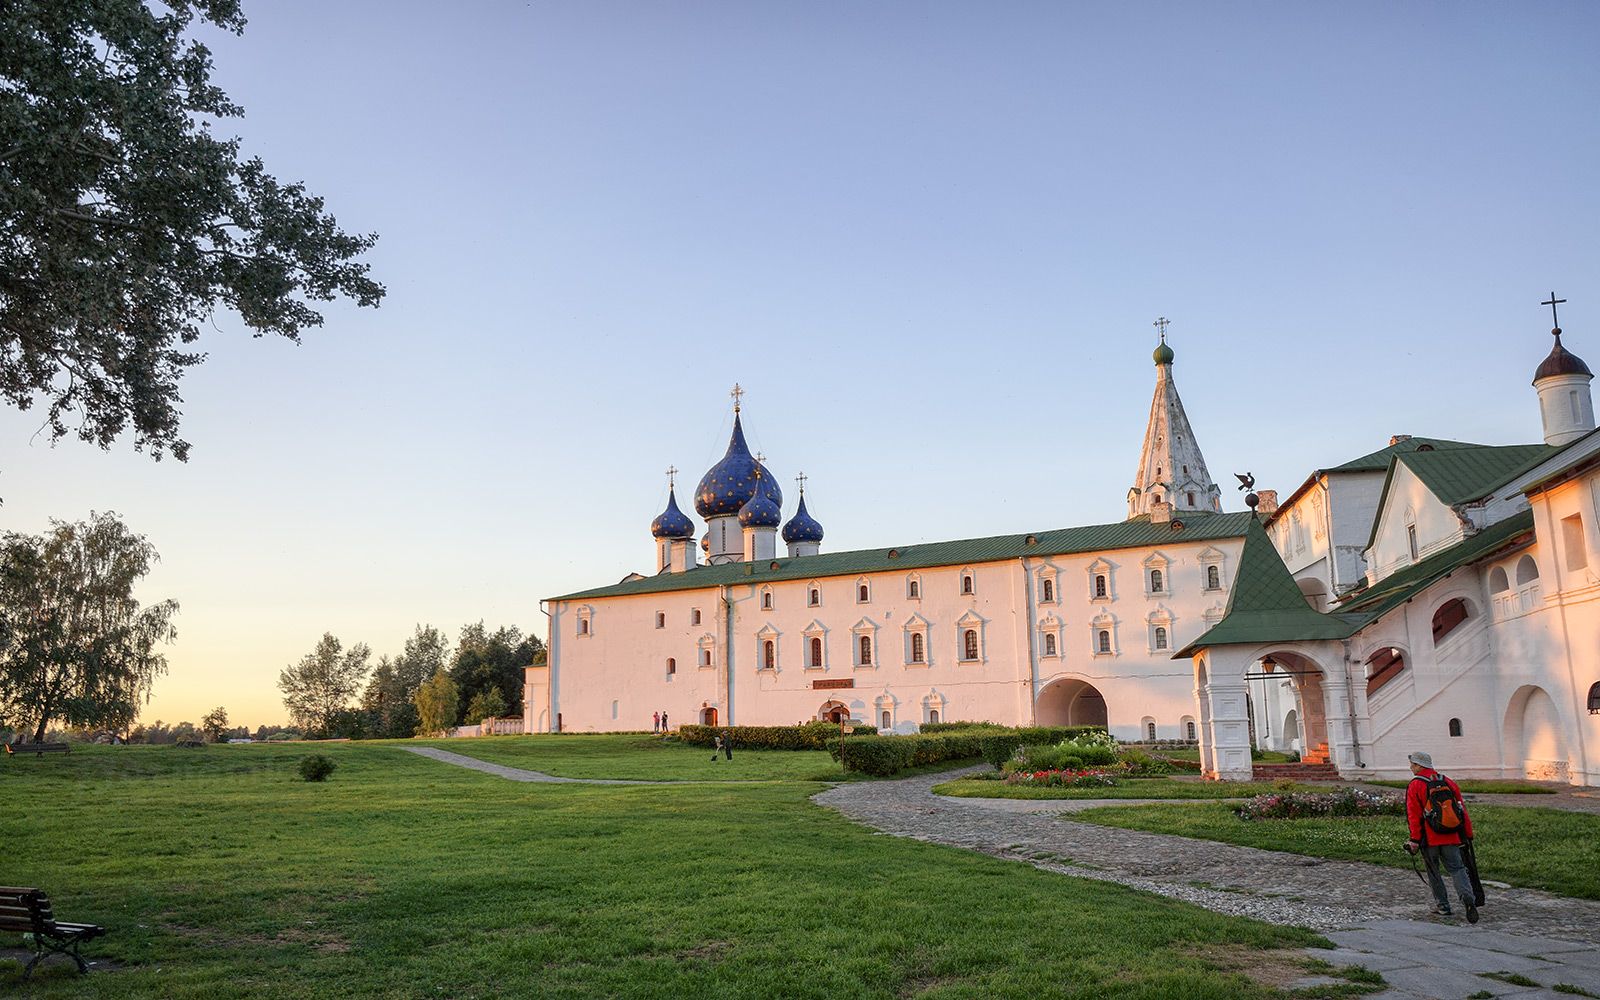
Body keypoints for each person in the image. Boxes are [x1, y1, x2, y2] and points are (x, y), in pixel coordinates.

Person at [1404, 750, 1478, 923]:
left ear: (1418, 765)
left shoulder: (1415, 785)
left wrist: (1414, 839)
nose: (1410, 768)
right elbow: (1461, 810)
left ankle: (1443, 906)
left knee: (1434, 871)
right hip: (1451, 835)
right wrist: (1468, 833)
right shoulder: (1448, 782)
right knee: (1457, 869)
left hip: (1429, 838)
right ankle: (1467, 897)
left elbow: (1414, 815)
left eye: (1412, 764)